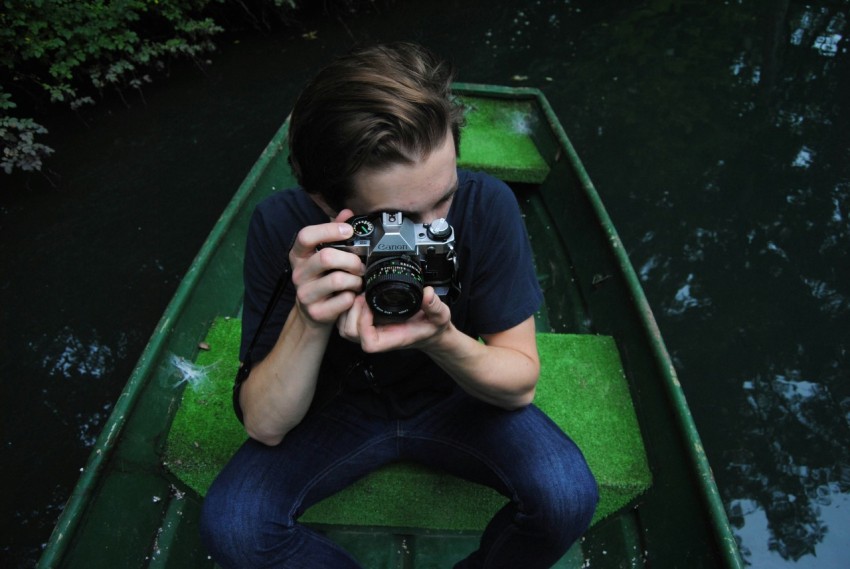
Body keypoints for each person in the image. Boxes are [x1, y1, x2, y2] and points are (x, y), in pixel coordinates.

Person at [200, 42, 598, 569]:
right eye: (398, 218)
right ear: (327, 202)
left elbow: (519, 381)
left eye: (444, 197)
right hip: (334, 407)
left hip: (454, 395)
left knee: (567, 494)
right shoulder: (284, 225)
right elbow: (266, 424)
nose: (434, 225)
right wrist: (309, 313)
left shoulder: (488, 205)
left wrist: (441, 338)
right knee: (235, 527)